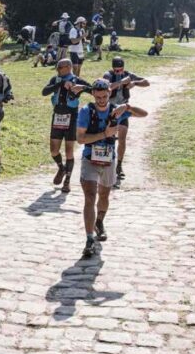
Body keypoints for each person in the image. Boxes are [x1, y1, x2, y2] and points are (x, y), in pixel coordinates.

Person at [75, 79, 148, 257]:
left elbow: (144, 114)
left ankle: (99, 221)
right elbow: (80, 139)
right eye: (98, 96)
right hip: (89, 158)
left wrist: (128, 107)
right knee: (90, 197)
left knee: (104, 195)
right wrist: (104, 134)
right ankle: (89, 238)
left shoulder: (117, 110)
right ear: (93, 94)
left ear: (109, 93)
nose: (101, 99)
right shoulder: (86, 111)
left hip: (108, 160)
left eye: (105, 96)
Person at [42, 59, 90, 193]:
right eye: (57, 68)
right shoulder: (56, 79)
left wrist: (82, 88)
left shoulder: (77, 79)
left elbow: (93, 90)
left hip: (72, 117)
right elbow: (44, 92)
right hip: (57, 116)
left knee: (69, 151)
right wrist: (61, 84)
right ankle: (61, 168)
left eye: (60, 68)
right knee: (54, 151)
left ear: (68, 67)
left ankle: (67, 181)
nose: (58, 70)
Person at [103, 57, 149, 188]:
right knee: (108, 138)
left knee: (122, 139)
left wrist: (135, 83)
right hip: (110, 110)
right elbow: (108, 87)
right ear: (113, 68)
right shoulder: (108, 75)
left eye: (120, 70)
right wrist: (121, 82)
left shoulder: (128, 74)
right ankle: (106, 165)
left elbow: (146, 82)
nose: (118, 72)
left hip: (123, 109)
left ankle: (119, 165)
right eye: (116, 70)